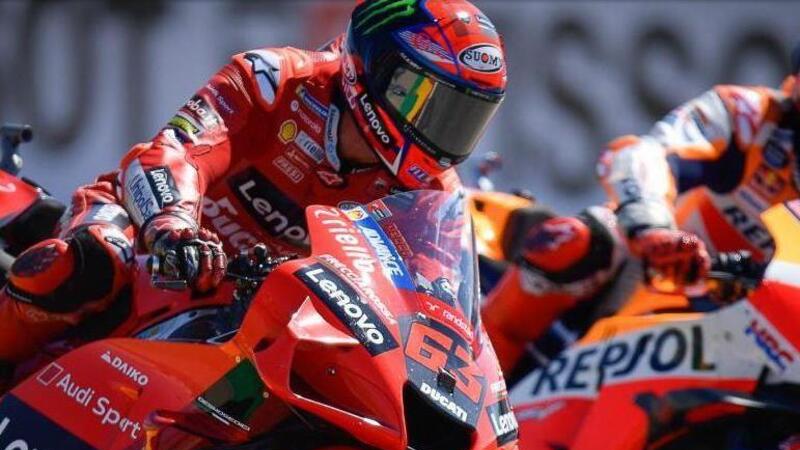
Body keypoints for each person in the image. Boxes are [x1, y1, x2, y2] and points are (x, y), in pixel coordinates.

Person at [0, 0, 507, 374]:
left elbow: (434, 309)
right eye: (434, 105)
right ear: (379, 70)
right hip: (152, 242)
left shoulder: (435, 193)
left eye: (465, 118)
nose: (445, 133)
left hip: (260, 313)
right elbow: (174, 152)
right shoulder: (275, 80)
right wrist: (173, 228)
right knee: (89, 261)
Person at [483, 49, 800, 377]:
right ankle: (473, 375)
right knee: (572, 241)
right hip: (661, 266)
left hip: (766, 336)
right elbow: (645, 153)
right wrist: (652, 228)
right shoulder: (749, 116)